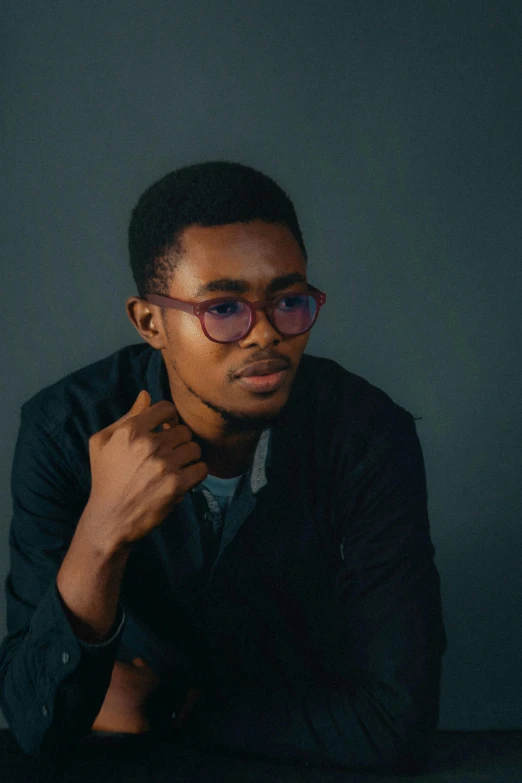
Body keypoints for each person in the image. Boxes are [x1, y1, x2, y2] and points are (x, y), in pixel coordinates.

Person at [0, 161, 446, 772]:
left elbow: (397, 724)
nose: (266, 335)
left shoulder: (365, 435)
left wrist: (175, 708)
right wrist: (101, 533)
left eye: (288, 300)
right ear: (150, 322)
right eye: (225, 308)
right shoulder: (65, 431)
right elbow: (32, 721)